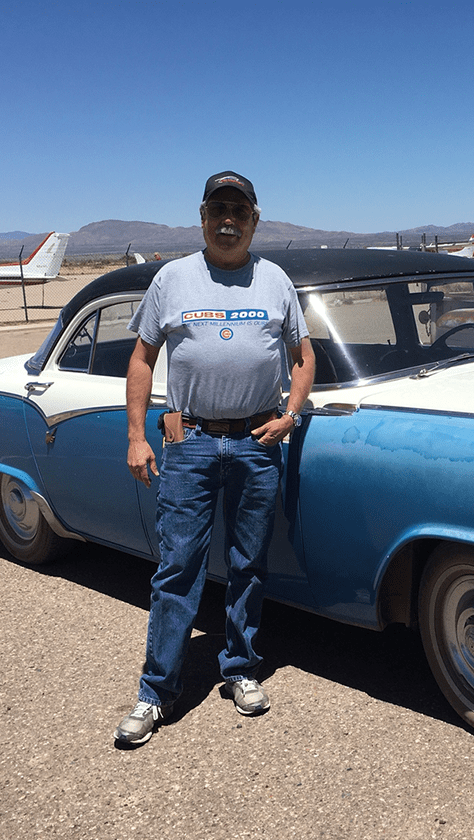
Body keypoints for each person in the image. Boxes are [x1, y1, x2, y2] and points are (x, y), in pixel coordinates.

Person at [115, 171, 316, 746]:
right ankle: (156, 692)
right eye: (218, 209)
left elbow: (303, 357)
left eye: (240, 211)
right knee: (179, 567)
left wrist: (291, 413)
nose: (228, 220)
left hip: (257, 442)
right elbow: (143, 358)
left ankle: (242, 669)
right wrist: (136, 434)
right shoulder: (172, 279)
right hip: (190, 443)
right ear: (202, 217)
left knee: (250, 562)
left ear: (255, 219)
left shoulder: (276, 280)